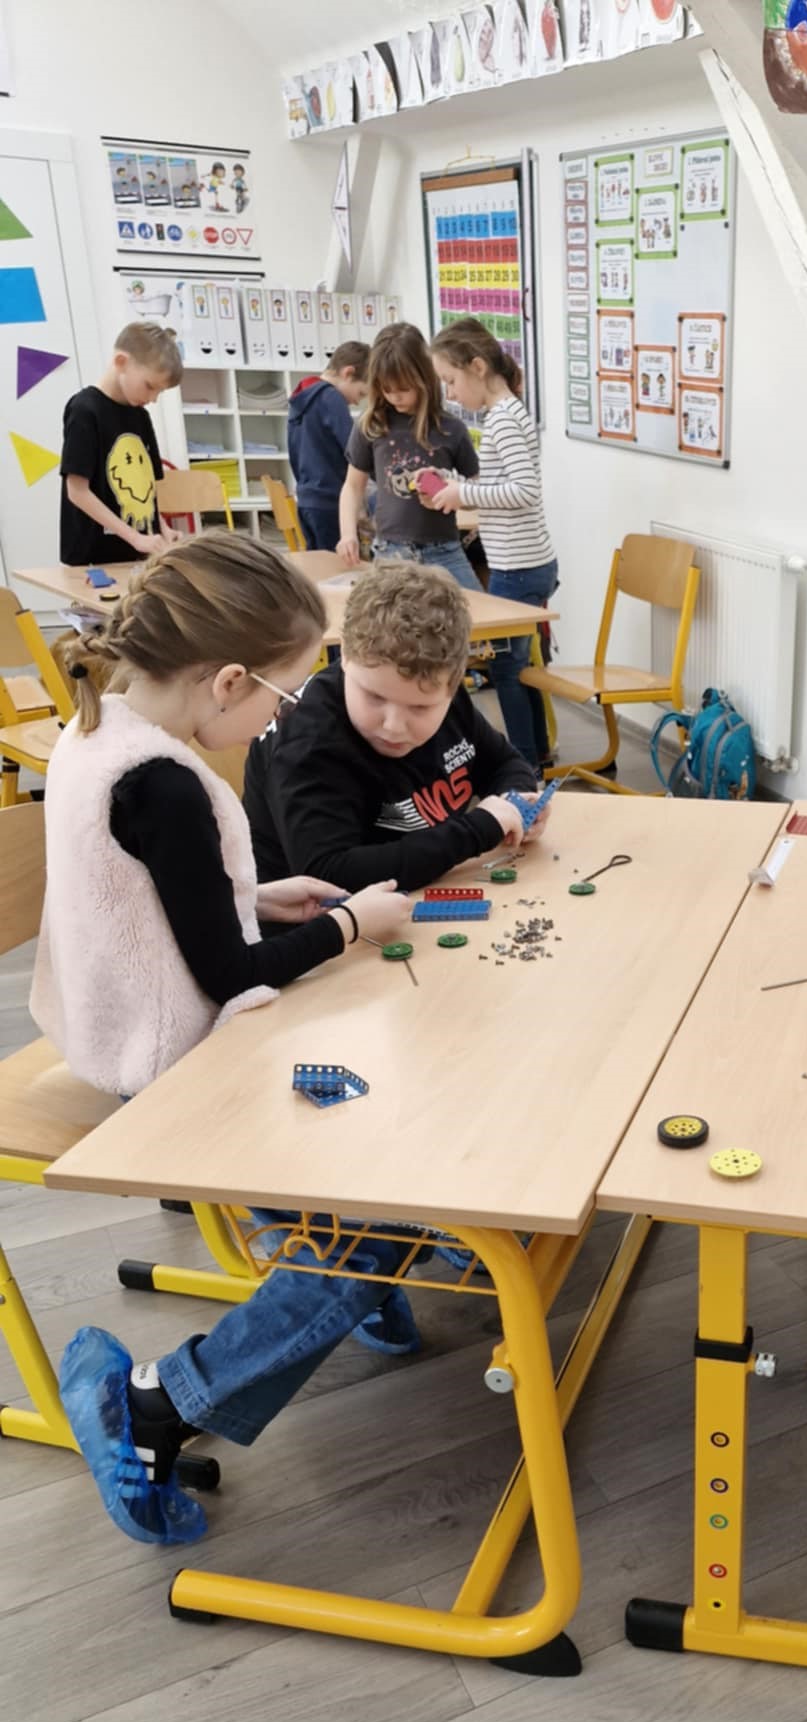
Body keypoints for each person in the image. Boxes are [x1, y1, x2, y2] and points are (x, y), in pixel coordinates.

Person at [30, 531, 420, 1547]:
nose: (279, 720)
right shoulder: (165, 783)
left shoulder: (94, 729)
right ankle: (155, 1405)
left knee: (379, 1182)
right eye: (281, 698)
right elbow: (230, 975)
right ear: (230, 681)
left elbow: (151, 905)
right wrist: (349, 925)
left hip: (116, 1031)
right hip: (173, 1071)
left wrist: (255, 894)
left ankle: (351, 1275)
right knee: (384, 1212)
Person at [244, 560, 542, 894]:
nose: (393, 726)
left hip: (422, 890)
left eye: (420, 708)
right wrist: (479, 829)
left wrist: (513, 804)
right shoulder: (307, 742)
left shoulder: (443, 689)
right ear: (345, 656)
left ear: (454, 681)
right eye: (374, 697)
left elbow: (505, 763)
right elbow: (328, 875)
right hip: (319, 917)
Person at [427, 319, 557, 767]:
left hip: (519, 567)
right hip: (521, 562)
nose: (450, 394)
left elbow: (524, 490)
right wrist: (454, 483)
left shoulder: (502, 418)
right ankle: (537, 753)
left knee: (506, 667)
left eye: (451, 380)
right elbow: (502, 485)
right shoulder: (505, 413)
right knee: (518, 667)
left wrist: (463, 492)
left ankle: (525, 763)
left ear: (478, 367)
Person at [339, 321, 480, 591]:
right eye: (386, 389)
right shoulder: (371, 425)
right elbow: (352, 486)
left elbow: (476, 489)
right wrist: (348, 534)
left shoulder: (451, 429)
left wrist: (452, 495)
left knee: (482, 611)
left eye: (403, 388)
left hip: (444, 551)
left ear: (423, 378)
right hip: (391, 552)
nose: (395, 397)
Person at [60, 322, 182, 566]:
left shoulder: (141, 417)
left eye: (159, 392)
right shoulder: (85, 410)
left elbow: (147, 492)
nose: (153, 399)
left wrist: (163, 529)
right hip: (94, 557)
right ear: (121, 362)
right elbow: (77, 491)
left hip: (138, 555)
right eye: (149, 386)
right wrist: (135, 537)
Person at [287, 340, 369, 551]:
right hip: (331, 501)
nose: (357, 402)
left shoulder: (303, 395)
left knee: (321, 563)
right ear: (348, 373)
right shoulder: (331, 398)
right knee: (340, 565)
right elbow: (355, 449)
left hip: (307, 499)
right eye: (361, 393)